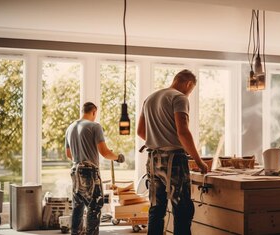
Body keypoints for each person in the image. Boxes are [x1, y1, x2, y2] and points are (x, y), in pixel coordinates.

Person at [137, 69, 208, 235]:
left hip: (153, 160)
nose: (189, 94)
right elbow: (182, 132)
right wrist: (199, 161)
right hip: (174, 160)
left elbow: (141, 131)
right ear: (189, 84)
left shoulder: (150, 99)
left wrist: (159, 140)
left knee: (156, 209)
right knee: (182, 209)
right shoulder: (179, 97)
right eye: (191, 91)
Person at [65, 102, 124, 235]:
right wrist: (117, 157)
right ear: (93, 112)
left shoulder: (70, 128)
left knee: (78, 207)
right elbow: (104, 152)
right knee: (94, 207)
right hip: (89, 172)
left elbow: (69, 154)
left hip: (75, 171)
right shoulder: (95, 126)